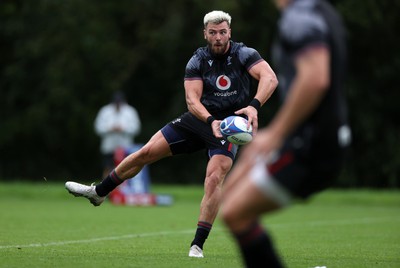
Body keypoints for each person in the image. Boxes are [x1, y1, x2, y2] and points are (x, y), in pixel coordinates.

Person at [65, 10, 278, 258]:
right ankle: (99, 192)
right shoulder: (197, 60)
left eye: (222, 32)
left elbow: (269, 78)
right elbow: (192, 100)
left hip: (231, 127)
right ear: (205, 34)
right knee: (145, 152)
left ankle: (197, 244)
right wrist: (210, 120)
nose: (218, 37)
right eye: (213, 33)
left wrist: (253, 106)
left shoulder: (243, 54)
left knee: (213, 178)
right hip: (200, 120)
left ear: (230, 32)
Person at [221, 0, 351, 267]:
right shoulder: (322, 12)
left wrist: (276, 134)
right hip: (320, 139)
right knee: (230, 201)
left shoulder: (299, 17)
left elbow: (315, 79)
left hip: (309, 145)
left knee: (236, 213)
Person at [94, 91, 141, 178]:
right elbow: (98, 128)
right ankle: (106, 189)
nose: (118, 105)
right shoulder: (105, 111)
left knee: (124, 169)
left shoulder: (130, 111)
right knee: (107, 168)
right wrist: (110, 128)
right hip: (108, 147)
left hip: (125, 147)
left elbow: (136, 128)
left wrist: (123, 129)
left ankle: (123, 190)